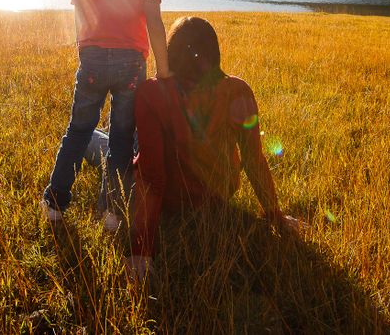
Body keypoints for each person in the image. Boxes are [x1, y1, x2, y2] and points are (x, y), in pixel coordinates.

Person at [128, 16, 302, 281]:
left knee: (108, 142)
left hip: (172, 201)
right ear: (214, 52)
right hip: (220, 193)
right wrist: (275, 216)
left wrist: (141, 251)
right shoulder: (238, 90)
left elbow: (153, 177)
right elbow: (253, 160)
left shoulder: (151, 92)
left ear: (170, 53)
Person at [41, 0, 171, 230]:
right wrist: (164, 72)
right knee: (121, 139)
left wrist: (88, 57)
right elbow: (155, 27)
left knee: (78, 131)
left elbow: (80, 26)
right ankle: (113, 214)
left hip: (93, 61)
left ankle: (55, 203)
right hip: (131, 67)